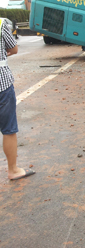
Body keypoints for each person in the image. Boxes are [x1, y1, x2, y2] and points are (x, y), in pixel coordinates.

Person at [0, 18, 35, 180]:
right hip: (2, 85)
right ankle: (13, 170)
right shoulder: (1, 24)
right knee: (9, 130)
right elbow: (13, 49)